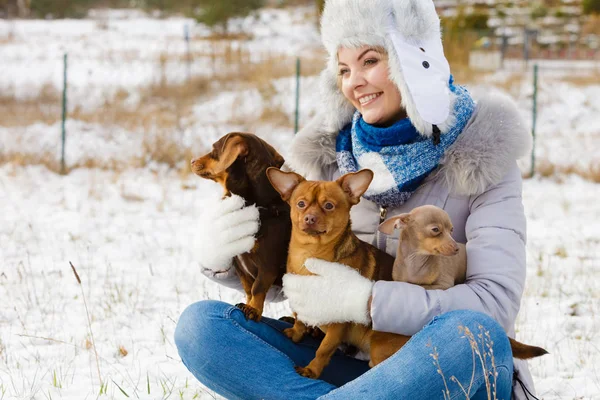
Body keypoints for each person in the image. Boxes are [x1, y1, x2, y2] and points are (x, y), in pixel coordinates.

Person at [175, 0, 538, 398]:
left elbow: (495, 304)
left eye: (369, 61)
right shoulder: (330, 158)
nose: (354, 82)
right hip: (347, 361)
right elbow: (299, 281)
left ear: (414, 61)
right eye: (344, 70)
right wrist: (224, 258)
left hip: (441, 367)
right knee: (203, 327)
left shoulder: (483, 159)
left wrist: (369, 301)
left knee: (473, 332)